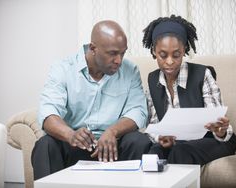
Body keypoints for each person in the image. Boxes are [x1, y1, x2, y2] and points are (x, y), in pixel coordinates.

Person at [32, 20, 151, 180]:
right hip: (74, 144)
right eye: (113, 53)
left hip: (113, 146)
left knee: (138, 141)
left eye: (122, 53)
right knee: (45, 145)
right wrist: (70, 134)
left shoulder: (130, 71)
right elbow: (48, 112)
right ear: (93, 48)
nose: (119, 60)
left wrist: (112, 131)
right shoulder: (62, 68)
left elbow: (138, 111)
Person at [142, 15, 236, 165]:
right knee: (153, 154)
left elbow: (215, 117)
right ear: (154, 51)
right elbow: (154, 123)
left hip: (212, 140)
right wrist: (161, 137)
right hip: (178, 143)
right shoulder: (153, 81)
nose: (169, 61)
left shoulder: (202, 74)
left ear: (184, 49)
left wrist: (220, 130)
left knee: (181, 152)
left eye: (176, 55)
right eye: (163, 55)